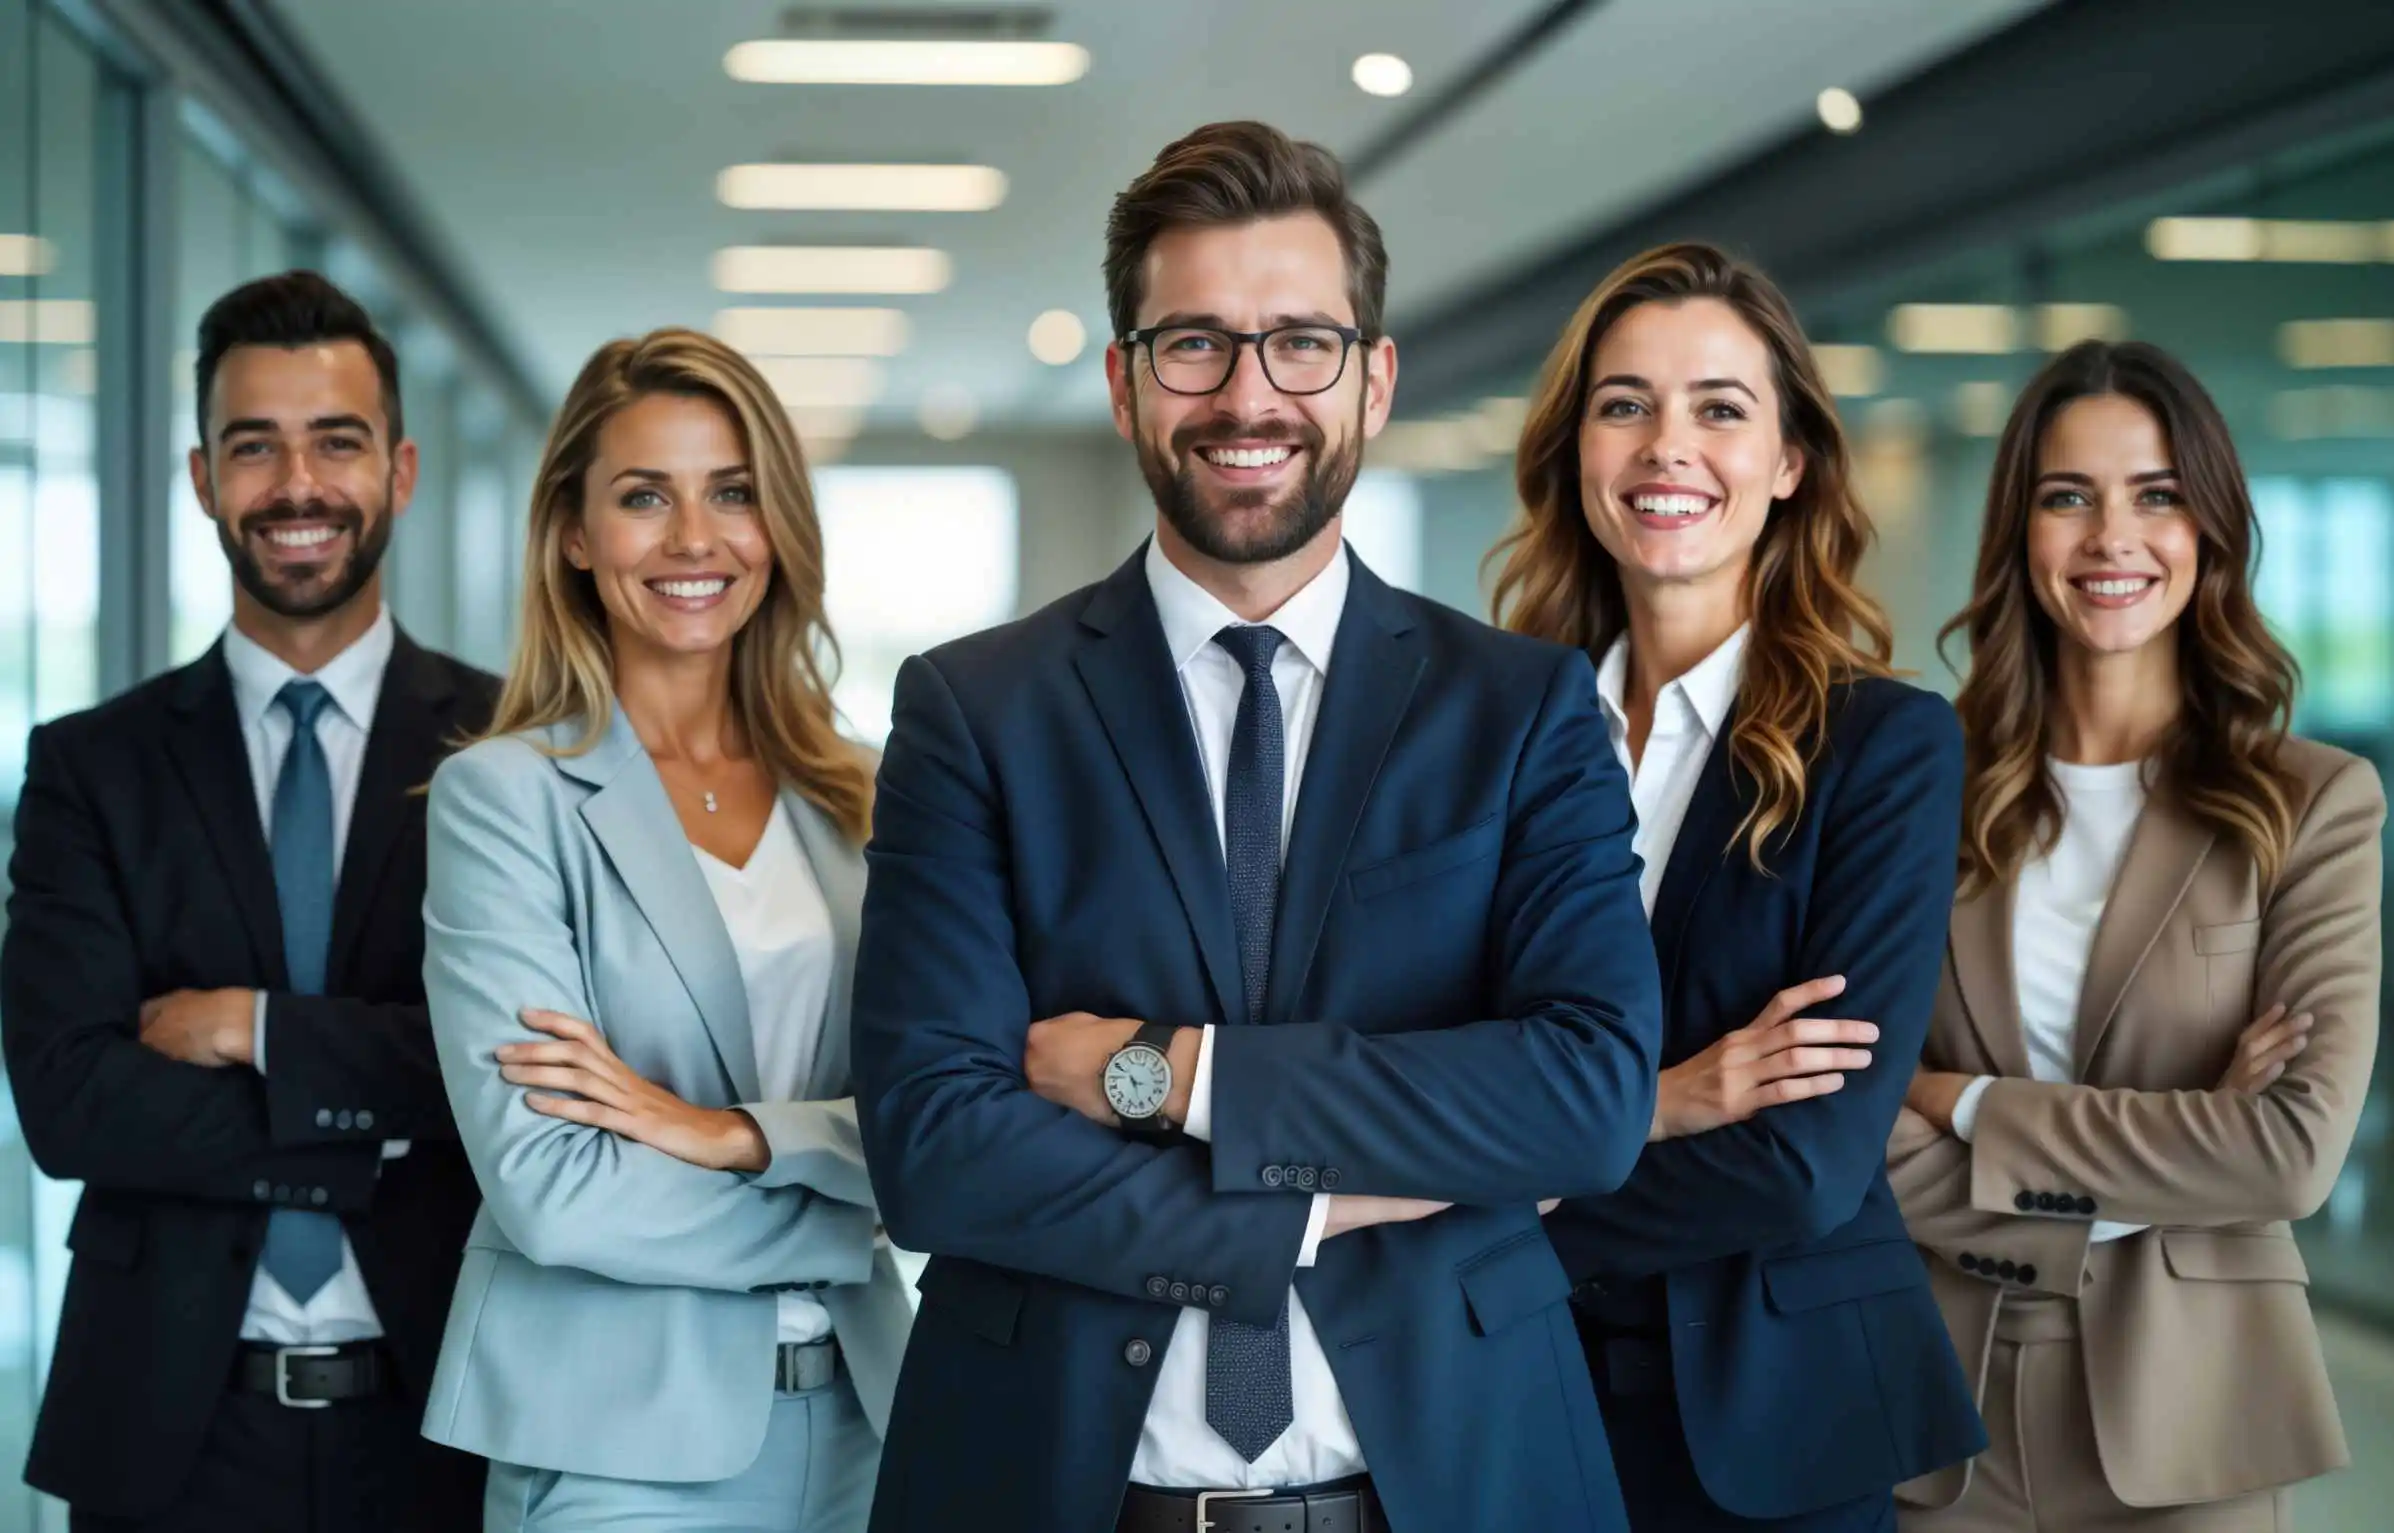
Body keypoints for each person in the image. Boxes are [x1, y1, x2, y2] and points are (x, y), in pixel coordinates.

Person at [851, 119, 1665, 1533]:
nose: (1248, 395)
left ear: (1372, 380)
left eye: (1300, 342)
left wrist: (1171, 1077)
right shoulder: (974, 710)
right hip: (1056, 1485)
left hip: (1458, 1483)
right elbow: (936, 1146)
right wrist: (1305, 1207)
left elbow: (1583, 1100)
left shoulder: (1519, 710)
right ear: (1122, 382)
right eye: (1194, 345)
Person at [1495, 242, 1984, 1530]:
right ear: (1575, 454)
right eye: (1624, 405)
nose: (1668, 447)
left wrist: (1492, 1224)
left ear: (1789, 463)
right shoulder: (1486, 736)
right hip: (1506, 1402)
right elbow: (1429, 1064)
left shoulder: (1883, 746)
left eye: (1720, 408)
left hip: (1773, 1426)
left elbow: (1804, 1162)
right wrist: (1659, 1103)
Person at [0, 271, 494, 1531]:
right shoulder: (88, 767)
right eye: (252, 446)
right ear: (202, 478)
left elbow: (524, 1067)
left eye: (338, 441)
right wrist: (380, 1115)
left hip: (449, 1417)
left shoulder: (513, 748)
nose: (297, 486)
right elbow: (71, 1104)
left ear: (403, 469)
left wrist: (251, 1030)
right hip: (170, 1431)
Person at [417, 327, 912, 1532]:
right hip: (616, 1449)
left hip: (867, 1422)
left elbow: (948, 1113)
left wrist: (724, 1135)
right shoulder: (507, 799)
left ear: (777, 526)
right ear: (575, 536)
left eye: (732, 492)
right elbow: (553, 1192)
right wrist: (849, 1209)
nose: (695, 539)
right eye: (646, 496)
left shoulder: (865, 794)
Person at [1890, 340, 2383, 1532]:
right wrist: (2183, 1145)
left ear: (2208, 527)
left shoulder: (2311, 804)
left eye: (2157, 495)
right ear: (2022, 531)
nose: (2115, 537)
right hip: (1941, 1416)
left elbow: (2285, 1155)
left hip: (2193, 1422)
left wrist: (1961, 1101)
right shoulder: (1916, 789)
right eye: (2070, 497)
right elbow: (1848, 1124)